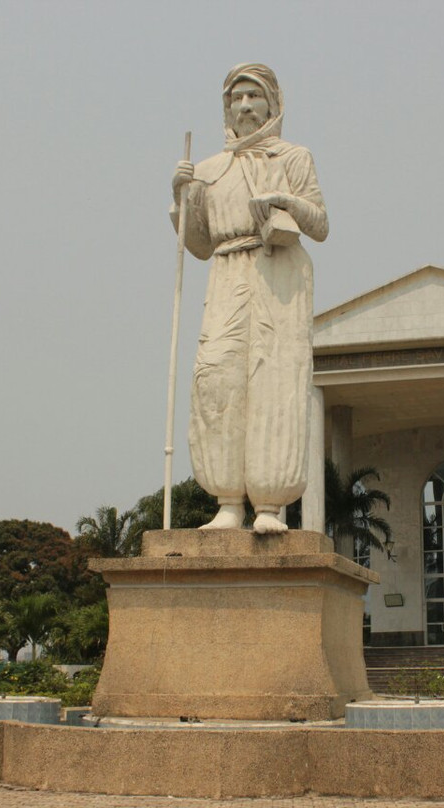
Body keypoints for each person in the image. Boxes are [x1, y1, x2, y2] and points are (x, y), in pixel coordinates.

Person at [171, 63, 328, 534]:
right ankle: (227, 502)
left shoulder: (294, 157)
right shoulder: (208, 170)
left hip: (279, 271)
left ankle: (269, 506)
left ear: (272, 104)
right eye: (235, 98)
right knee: (217, 380)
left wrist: (286, 202)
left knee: (274, 380)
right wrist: (180, 195)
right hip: (227, 272)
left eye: (253, 97)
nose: (244, 106)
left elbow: (320, 224)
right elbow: (197, 244)